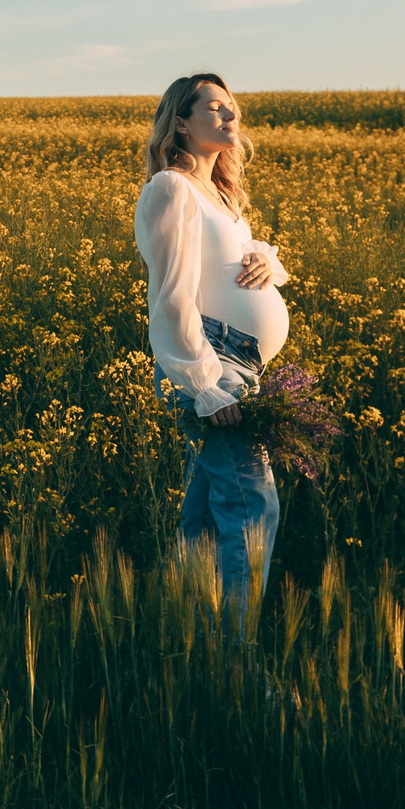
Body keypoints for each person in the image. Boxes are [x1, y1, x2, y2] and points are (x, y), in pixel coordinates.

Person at [135, 72, 290, 630]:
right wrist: (204, 384)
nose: (231, 118)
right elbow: (171, 295)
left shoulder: (219, 195)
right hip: (216, 366)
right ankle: (237, 664)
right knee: (252, 507)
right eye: (216, 109)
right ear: (181, 121)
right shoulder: (171, 188)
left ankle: (190, 645)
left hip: (243, 367)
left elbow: (236, 265)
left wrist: (269, 263)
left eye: (233, 110)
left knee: (204, 519)